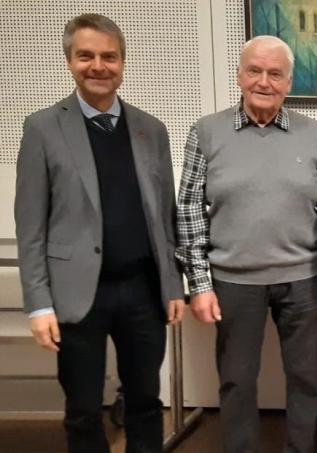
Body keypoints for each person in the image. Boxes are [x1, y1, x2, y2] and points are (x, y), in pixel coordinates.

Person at [14, 13, 185, 452]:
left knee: (147, 401)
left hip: (142, 291)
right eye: (86, 55)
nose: (98, 66)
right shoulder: (43, 128)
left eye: (109, 56)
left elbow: (164, 218)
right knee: (84, 407)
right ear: (69, 60)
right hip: (76, 297)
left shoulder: (152, 130)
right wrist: (38, 305)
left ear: (122, 63)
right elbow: (30, 225)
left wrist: (172, 285)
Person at [175, 35, 317, 453]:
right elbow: (190, 208)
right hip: (232, 283)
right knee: (236, 381)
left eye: (275, 73)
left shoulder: (315, 135)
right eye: (255, 71)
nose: (264, 81)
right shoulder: (206, 132)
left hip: (303, 280)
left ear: (289, 82)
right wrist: (200, 283)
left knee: (306, 379)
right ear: (239, 76)